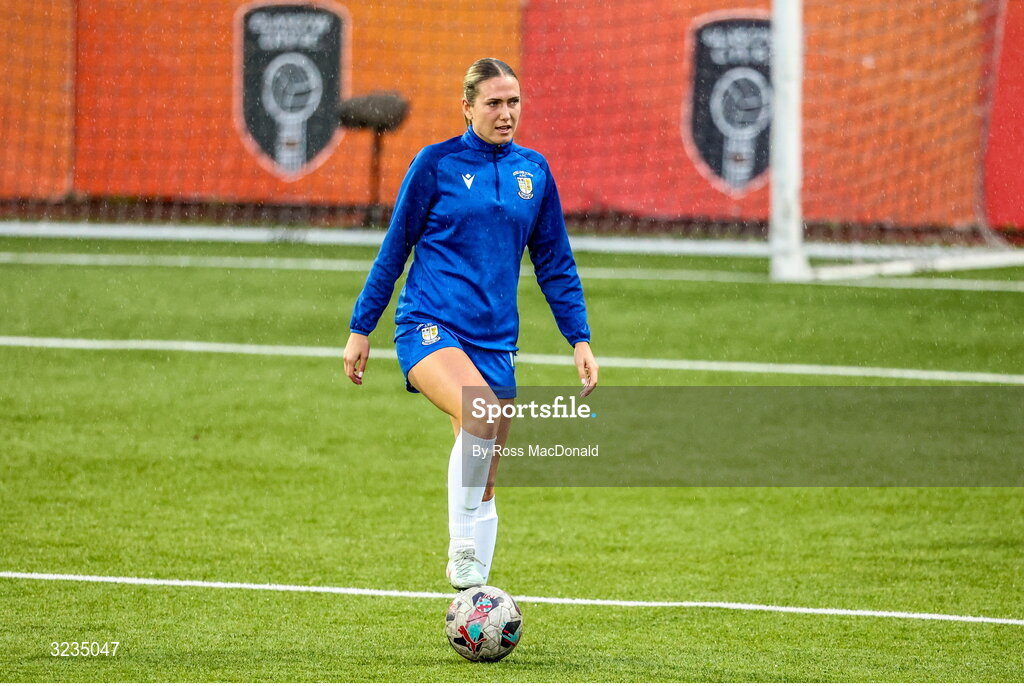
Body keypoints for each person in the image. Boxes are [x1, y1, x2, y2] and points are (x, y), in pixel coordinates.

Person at [343, 57, 598, 589]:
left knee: (483, 480)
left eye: (514, 102)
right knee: (480, 415)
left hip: (496, 341)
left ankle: (473, 597)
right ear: (467, 107)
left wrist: (579, 338)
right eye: (494, 103)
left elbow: (554, 261)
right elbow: (396, 248)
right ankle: (460, 549)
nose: (506, 114)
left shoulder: (535, 171)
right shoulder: (435, 164)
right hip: (430, 326)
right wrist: (361, 326)